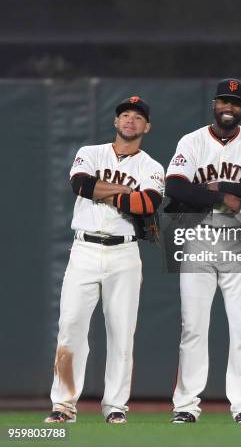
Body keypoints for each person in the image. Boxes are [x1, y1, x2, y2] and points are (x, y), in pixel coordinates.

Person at [44, 96, 164, 424]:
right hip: (83, 249)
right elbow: (80, 184)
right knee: (70, 328)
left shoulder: (152, 167)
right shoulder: (90, 153)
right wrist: (125, 196)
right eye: (124, 114)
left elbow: (148, 203)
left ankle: (115, 407)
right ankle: (63, 405)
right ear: (115, 122)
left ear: (146, 127)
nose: (130, 120)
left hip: (124, 252)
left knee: (122, 332)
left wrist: (103, 190)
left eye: (137, 117)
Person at [165, 79, 241, 424]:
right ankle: (186, 405)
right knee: (193, 326)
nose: (229, 107)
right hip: (198, 237)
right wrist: (217, 196)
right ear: (214, 104)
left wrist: (222, 185)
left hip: (240, 241)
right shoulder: (193, 141)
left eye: (236, 102)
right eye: (224, 101)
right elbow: (174, 185)